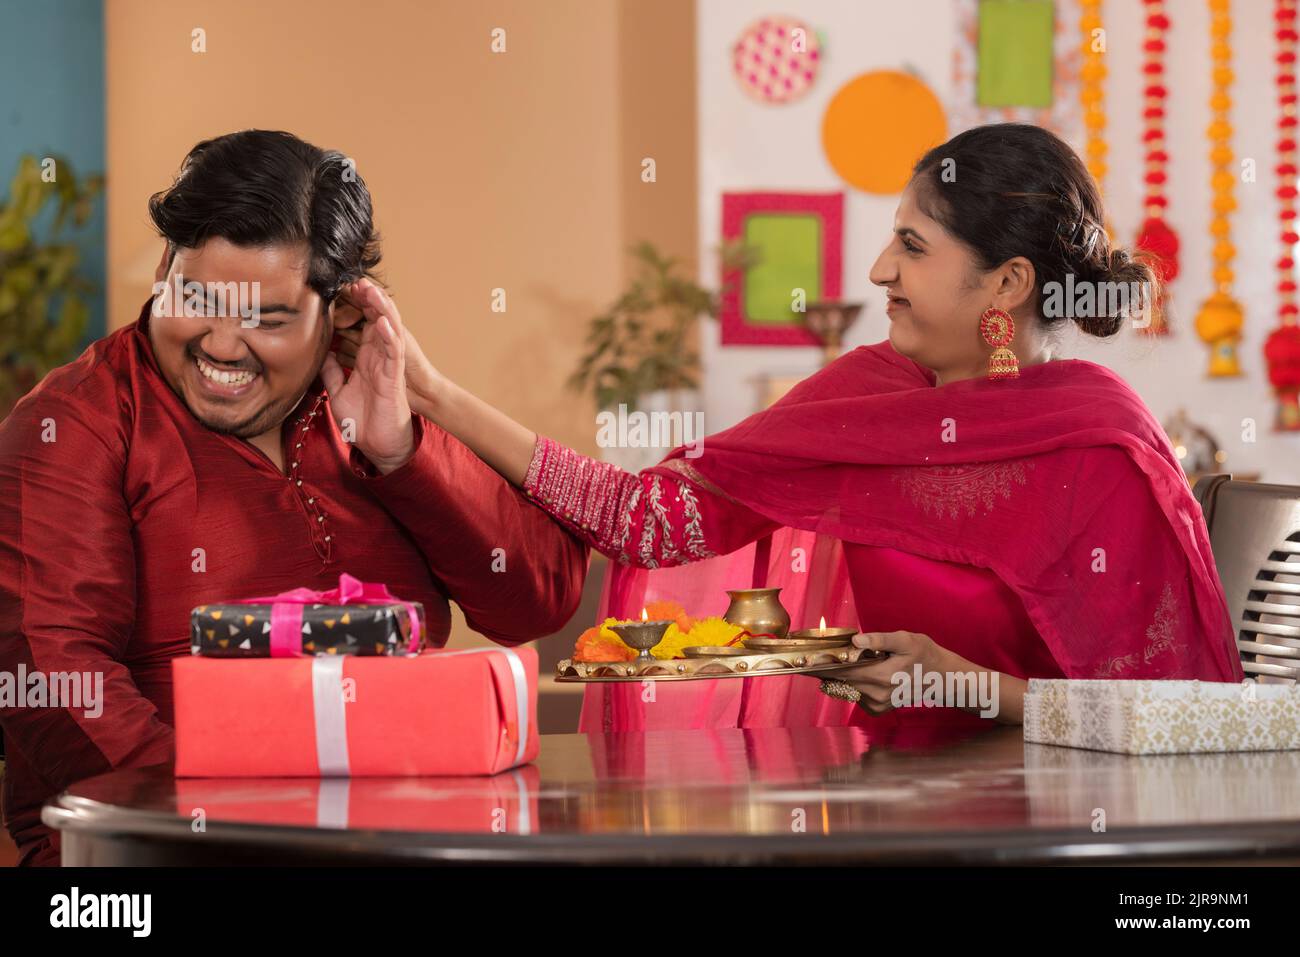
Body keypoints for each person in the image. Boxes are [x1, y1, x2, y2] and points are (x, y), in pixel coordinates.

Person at [334, 123, 1245, 738]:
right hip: (886, 806)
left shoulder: (1102, 452)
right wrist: (433, 391)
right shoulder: (873, 399)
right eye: (894, 239)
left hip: (1064, 826)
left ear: (1005, 286)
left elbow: (1178, 723)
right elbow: (646, 519)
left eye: (916, 249)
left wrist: (967, 685)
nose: (881, 269)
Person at [0, 130, 589, 866]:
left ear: (341, 312)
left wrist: (407, 452)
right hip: (155, 856)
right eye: (196, 297)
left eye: (267, 319)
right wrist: (224, 826)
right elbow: (53, 669)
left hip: (402, 838)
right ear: (163, 267)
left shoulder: (367, 402)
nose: (219, 343)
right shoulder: (77, 422)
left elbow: (536, 603)